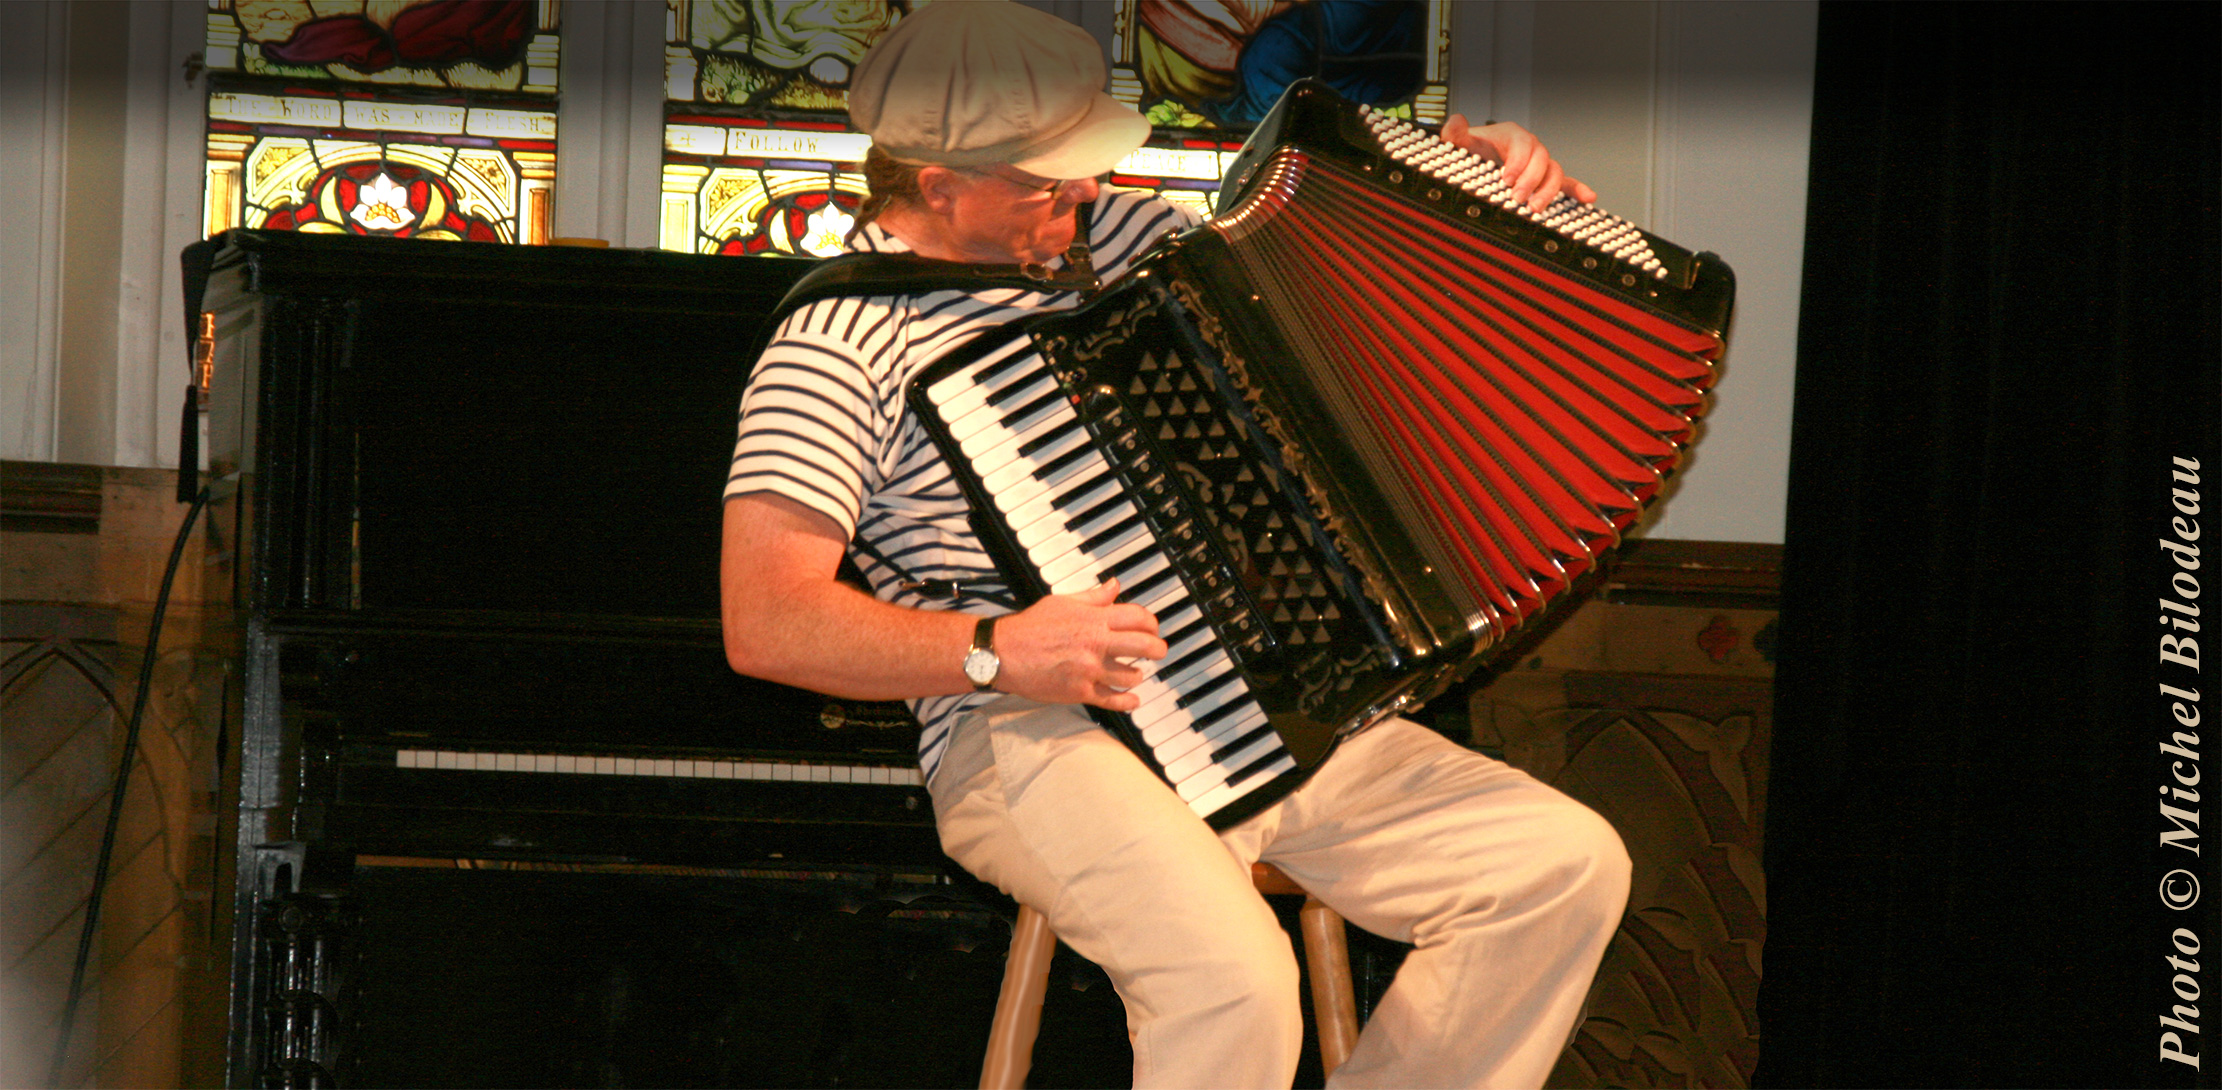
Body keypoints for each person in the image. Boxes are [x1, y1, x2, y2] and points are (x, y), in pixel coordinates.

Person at [720, 3, 1627, 1086]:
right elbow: (766, 622)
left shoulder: (1133, 243)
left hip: (1262, 694)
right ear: (934, 180)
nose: (1087, 191)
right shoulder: (834, 347)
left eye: (1084, 165)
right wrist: (995, 648)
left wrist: (1469, 177)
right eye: (1047, 179)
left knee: (1557, 866)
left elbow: (1336, 244)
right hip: (1029, 726)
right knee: (1230, 974)